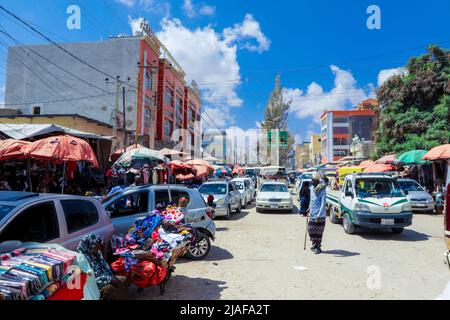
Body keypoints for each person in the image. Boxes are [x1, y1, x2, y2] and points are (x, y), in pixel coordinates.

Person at [307, 172, 327, 254]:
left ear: (317, 180)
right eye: (311, 180)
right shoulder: (312, 188)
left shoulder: (322, 190)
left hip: (320, 215)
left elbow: (323, 204)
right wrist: (309, 207)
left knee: (318, 232)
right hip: (312, 213)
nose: (312, 181)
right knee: (310, 230)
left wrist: (318, 216)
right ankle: (314, 244)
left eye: (313, 180)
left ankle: (318, 247)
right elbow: (311, 199)